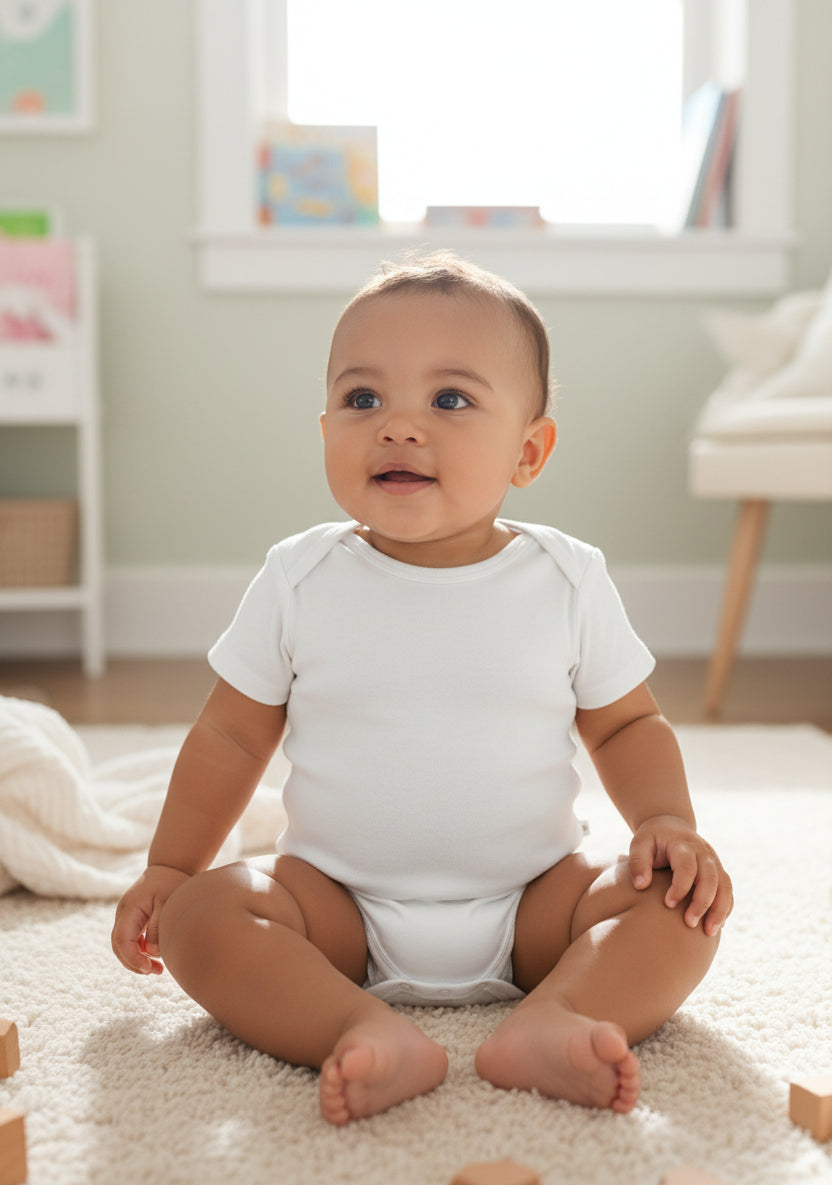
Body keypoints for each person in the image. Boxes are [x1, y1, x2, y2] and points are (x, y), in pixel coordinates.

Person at [111, 252, 733, 1127]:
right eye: (364, 399)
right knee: (203, 914)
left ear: (528, 450)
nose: (399, 427)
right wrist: (172, 867)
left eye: (450, 400)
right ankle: (354, 1028)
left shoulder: (567, 578)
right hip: (336, 909)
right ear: (324, 428)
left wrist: (667, 822)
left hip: (535, 904)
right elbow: (230, 737)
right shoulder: (300, 576)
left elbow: (628, 725)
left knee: (681, 907)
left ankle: (560, 1016)